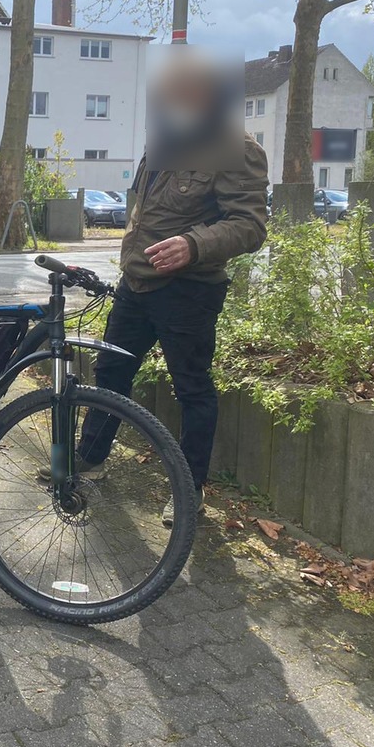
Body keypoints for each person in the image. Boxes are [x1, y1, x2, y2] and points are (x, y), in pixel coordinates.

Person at [76, 54, 269, 526]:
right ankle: (90, 462)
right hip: (137, 284)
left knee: (193, 390)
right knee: (110, 374)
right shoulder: (164, 140)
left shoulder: (236, 149)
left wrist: (193, 244)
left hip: (189, 292)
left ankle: (188, 490)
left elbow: (251, 225)